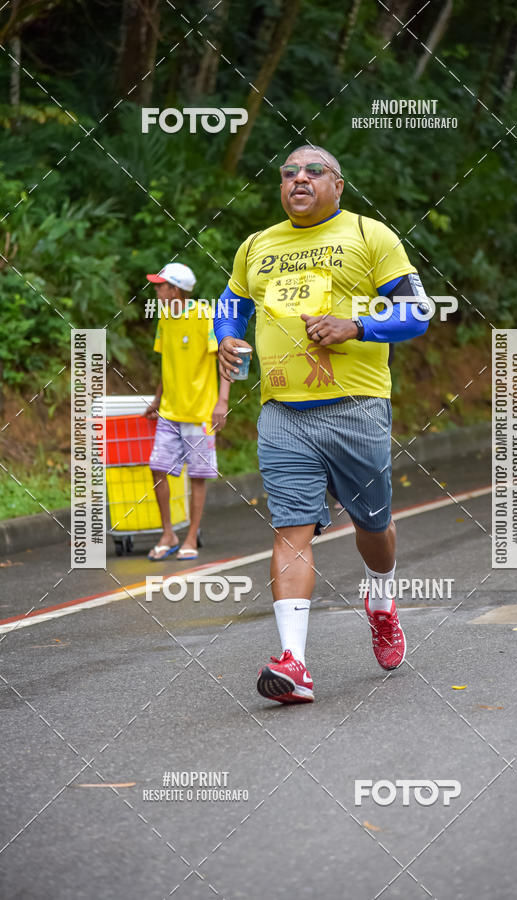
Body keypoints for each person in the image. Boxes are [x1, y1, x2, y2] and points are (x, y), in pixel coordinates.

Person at [215, 146, 430, 704]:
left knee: (373, 528)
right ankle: (294, 663)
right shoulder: (256, 246)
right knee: (291, 528)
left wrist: (356, 326)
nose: (299, 179)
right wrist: (228, 337)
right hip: (282, 411)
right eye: (288, 173)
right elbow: (232, 302)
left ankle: (381, 599)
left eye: (313, 172)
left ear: (338, 184)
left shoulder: (369, 236)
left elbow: (417, 312)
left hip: (356, 407)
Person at [145, 262, 230, 561]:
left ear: (175, 289)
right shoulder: (165, 319)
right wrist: (157, 400)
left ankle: (191, 536)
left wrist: (222, 402)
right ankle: (168, 533)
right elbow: (166, 364)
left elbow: (224, 360)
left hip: (200, 412)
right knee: (157, 468)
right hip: (170, 411)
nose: (156, 290)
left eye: (160, 285)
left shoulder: (205, 316)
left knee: (197, 476)